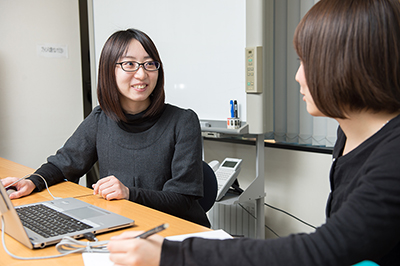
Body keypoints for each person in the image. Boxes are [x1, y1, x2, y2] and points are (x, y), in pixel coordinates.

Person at [105, 0, 400, 265]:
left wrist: (172, 254)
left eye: (306, 62)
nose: (298, 75)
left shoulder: (393, 157)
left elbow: (327, 249)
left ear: (349, 64)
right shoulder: (349, 134)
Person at [1, 28, 210, 228]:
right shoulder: (101, 118)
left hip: (177, 230)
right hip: (123, 223)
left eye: (149, 64)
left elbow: (182, 200)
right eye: (130, 64)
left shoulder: (183, 121)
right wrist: (32, 181)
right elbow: (64, 164)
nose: (141, 74)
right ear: (110, 71)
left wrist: (128, 193)